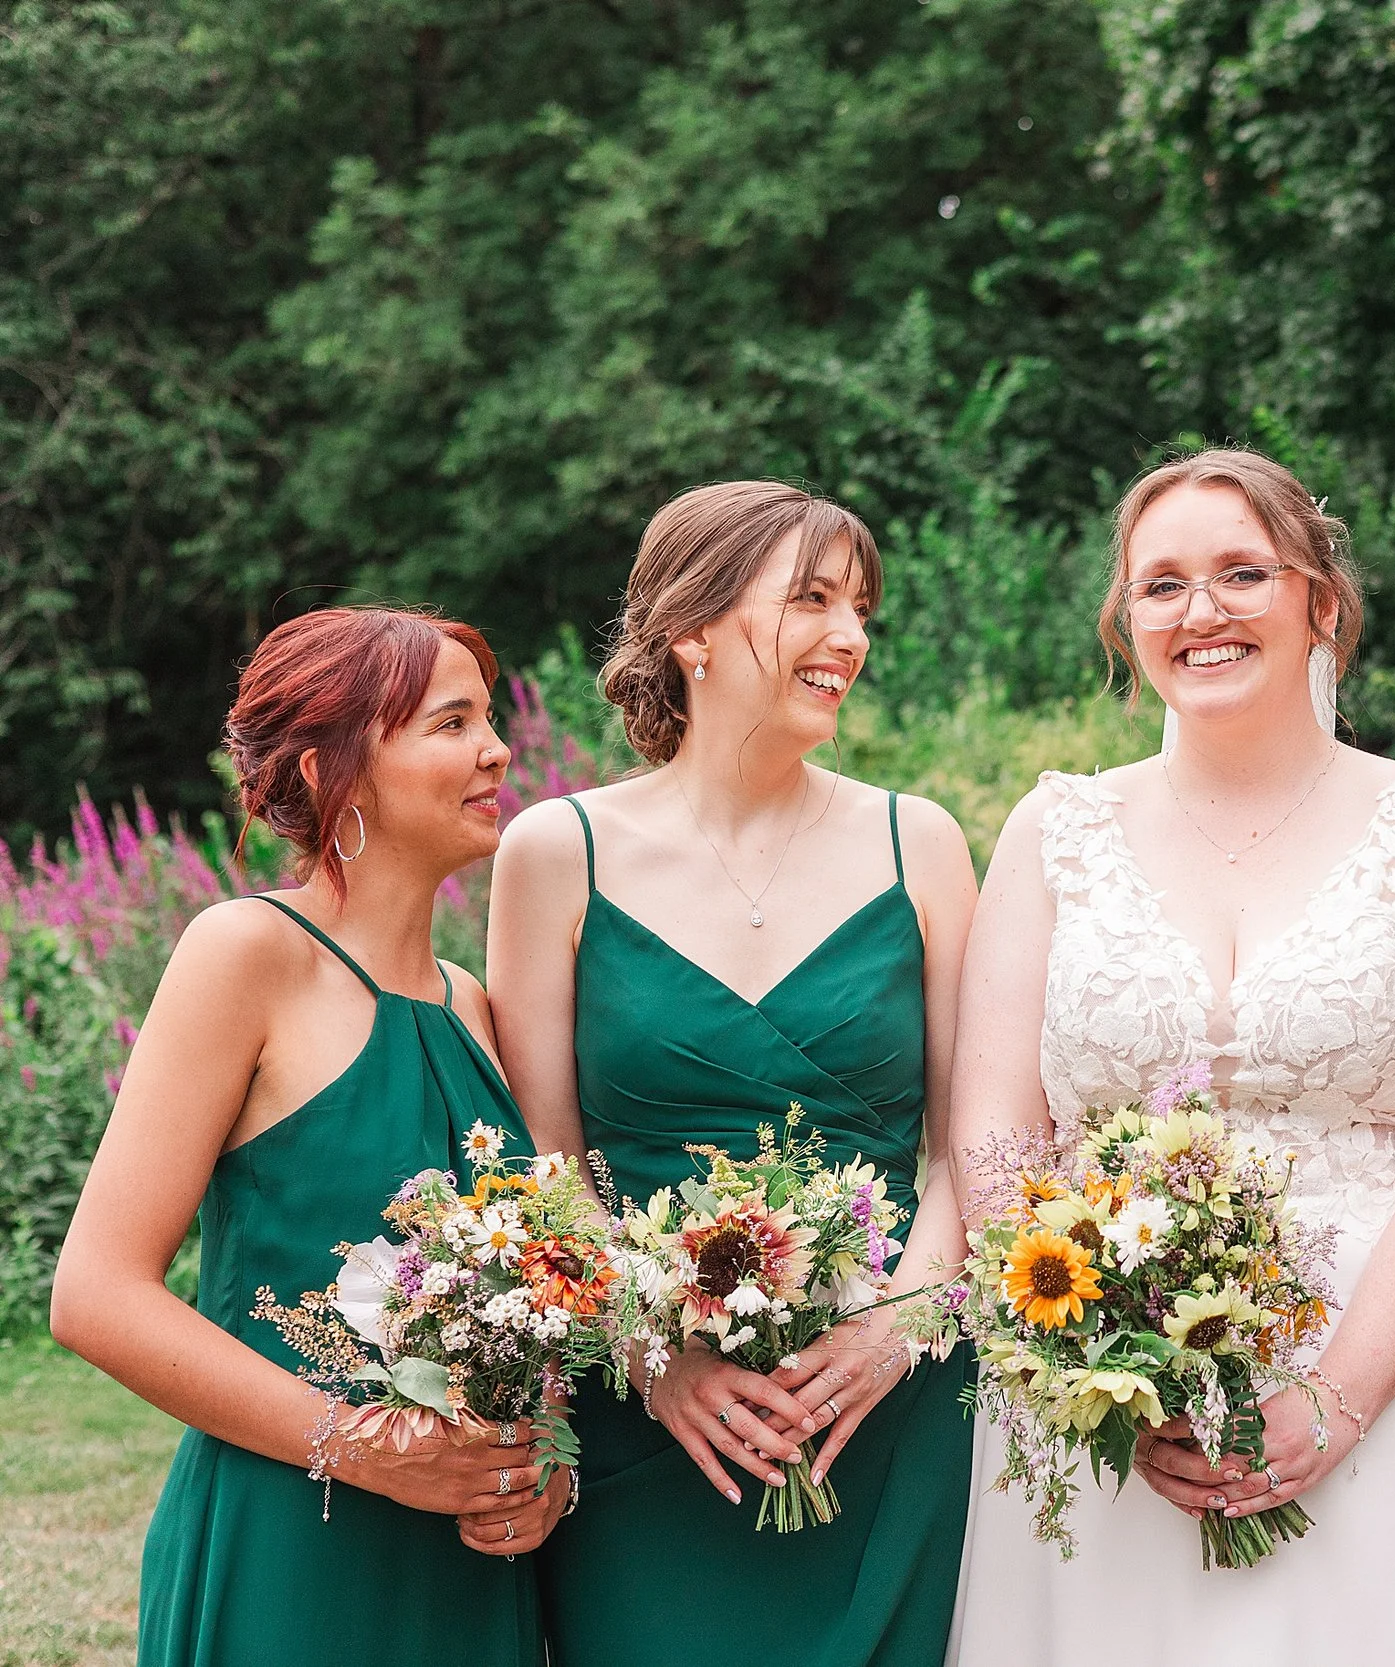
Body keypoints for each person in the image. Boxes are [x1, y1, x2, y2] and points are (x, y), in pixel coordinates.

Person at [946, 448, 1395, 1667]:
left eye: (1243, 572)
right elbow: (992, 1128)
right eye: (1162, 585)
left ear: (1321, 603)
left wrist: (1336, 1398)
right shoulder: (1054, 828)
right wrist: (1089, 1360)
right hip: (1105, 1394)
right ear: (1125, 619)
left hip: (1394, 1369)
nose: (1201, 611)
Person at [488, 480, 977, 1667]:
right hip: (653, 1420)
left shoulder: (923, 841)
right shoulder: (559, 850)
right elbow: (545, 1166)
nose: (850, 636)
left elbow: (973, 1142)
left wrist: (897, 1331)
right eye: (810, 599)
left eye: (860, 607)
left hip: (887, 1409)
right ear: (690, 630)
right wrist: (659, 1363)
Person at [51, 606, 557, 1667]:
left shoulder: (473, 1004)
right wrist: (369, 1448)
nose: (498, 748)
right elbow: (96, 1293)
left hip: (468, 1565)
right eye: (451, 721)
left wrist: (540, 1463)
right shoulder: (247, 952)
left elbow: (535, 1297)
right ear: (337, 769)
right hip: (292, 1541)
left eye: (492, 717)